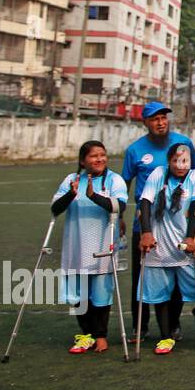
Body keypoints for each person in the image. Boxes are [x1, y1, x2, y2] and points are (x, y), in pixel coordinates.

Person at [122, 101, 195, 338]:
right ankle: (140, 325)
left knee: (175, 275)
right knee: (143, 276)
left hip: (177, 224)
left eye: (164, 117)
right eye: (155, 118)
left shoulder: (183, 143)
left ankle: (173, 325)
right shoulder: (135, 150)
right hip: (146, 224)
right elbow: (123, 185)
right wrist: (121, 217)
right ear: (145, 122)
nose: (160, 122)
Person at [52, 141, 129, 354]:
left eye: (103, 155)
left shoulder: (114, 180)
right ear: (82, 160)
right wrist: (71, 194)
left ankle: (101, 336)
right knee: (79, 294)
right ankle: (85, 335)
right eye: (94, 156)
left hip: (103, 247)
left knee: (101, 293)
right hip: (76, 246)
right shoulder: (71, 180)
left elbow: (119, 206)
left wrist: (94, 195)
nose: (100, 159)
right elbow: (55, 208)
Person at [137, 142, 195, 355]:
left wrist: (190, 237)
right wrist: (146, 233)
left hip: (182, 244)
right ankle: (166, 337)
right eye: (176, 160)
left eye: (185, 160)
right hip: (158, 243)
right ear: (169, 161)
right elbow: (145, 203)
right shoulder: (158, 174)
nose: (180, 165)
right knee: (161, 293)